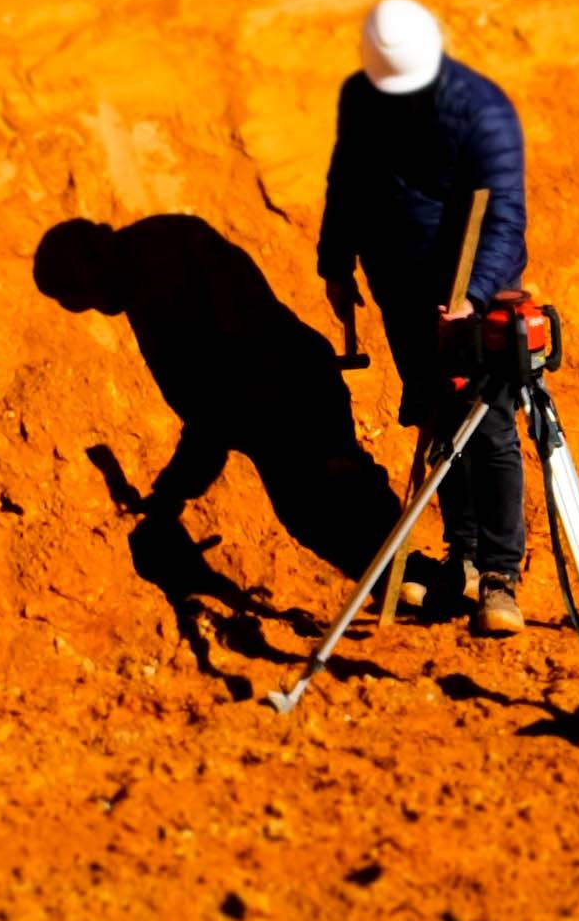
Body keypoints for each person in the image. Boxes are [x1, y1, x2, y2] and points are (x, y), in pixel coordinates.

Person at [29, 214, 403, 632]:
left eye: (82, 295)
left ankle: (406, 578)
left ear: (90, 269)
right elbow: (211, 402)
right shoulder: (147, 260)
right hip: (281, 383)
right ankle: (406, 580)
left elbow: (215, 393)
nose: (93, 306)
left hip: (280, 390)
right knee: (328, 490)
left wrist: (171, 494)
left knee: (322, 496)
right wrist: (174, 490)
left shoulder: (156, 277)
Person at [316, 0, 536, 634]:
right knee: (436, 417)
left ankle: (500, 575)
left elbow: (504, 219)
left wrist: (473, 296)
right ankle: (461, 557)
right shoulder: (361, 96)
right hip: (399, 286)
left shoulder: (483, 114)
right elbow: (347, 180)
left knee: (485, 423)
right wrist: (336, 263)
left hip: (475, 286)